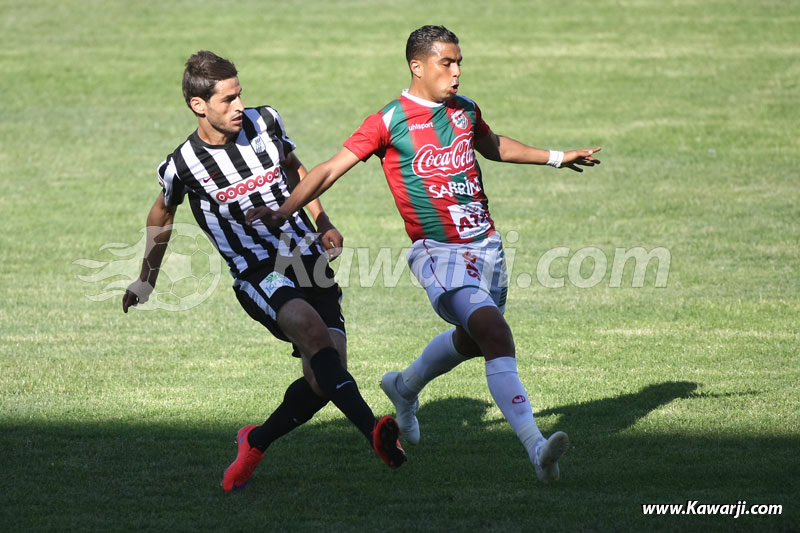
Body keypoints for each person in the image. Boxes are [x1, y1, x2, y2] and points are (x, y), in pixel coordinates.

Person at [246, 25, 600, 484]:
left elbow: (494, 146)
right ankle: (537, 448)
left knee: (473, 341)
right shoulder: (389, 120)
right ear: (418, 66)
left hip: (487, 246)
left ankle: (404, 386)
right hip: (438, 252)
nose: (456, 72)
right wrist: (283, 211)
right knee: (495, 332)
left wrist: (557, 156)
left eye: (459, 63)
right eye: (445, 63)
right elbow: (330, 169)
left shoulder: (465, 110)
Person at [122, 50, 406, 492]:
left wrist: (323, 221)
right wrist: (146, 278)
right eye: (227, 99)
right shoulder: (183, 163)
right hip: (257, 269)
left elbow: (294, 169)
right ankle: (374, 431)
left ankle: (255, 442)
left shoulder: (266, 120)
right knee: (309, 329)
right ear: (199, 105)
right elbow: (162, 213)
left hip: (307, 257)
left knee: (323, 378)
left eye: (240, 95)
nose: (239, 106)